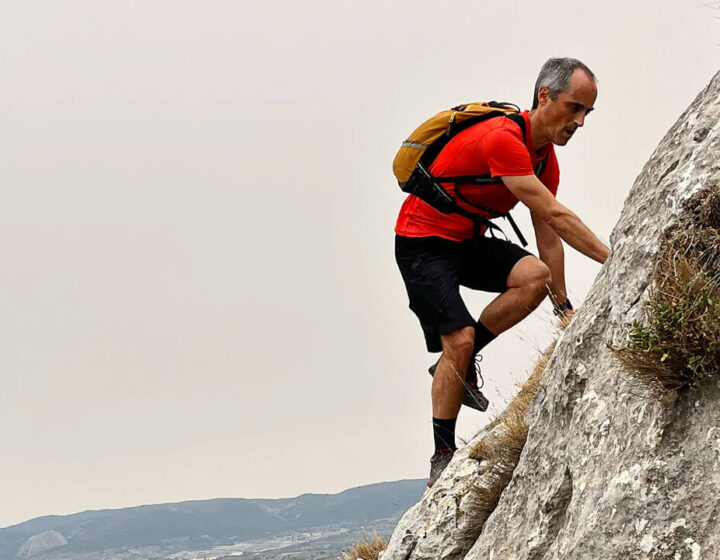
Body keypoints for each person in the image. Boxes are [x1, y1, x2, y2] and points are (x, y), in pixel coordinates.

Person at [394, 57, 611, 487]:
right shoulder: (503, 139)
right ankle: (442, 452)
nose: (581, 121)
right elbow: (555, 212)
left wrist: (562, 302)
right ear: (544, 95)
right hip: (422, 242)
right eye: (574, 107)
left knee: (535, 277)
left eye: (587, 112)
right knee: (459, 338)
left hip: (466, 241)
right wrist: (618, 258)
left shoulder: (545, 159)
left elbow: (546, 232)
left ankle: (456, 362)